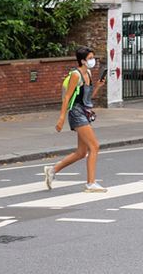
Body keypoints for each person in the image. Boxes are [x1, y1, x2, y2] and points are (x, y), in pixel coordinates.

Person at [45, 47, 105, 192]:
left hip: (85, 111)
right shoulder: (76, 75)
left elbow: (88, 98)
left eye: (93, 57)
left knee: (81, 152)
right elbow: (67, 97)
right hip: (76, 113)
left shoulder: (88, 73)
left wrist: (97, 86)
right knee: (94, 146)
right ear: (83, 60)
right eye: (90, 58)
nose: (93, 60)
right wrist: (61, 118)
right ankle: (90, 183)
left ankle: (52, 170)